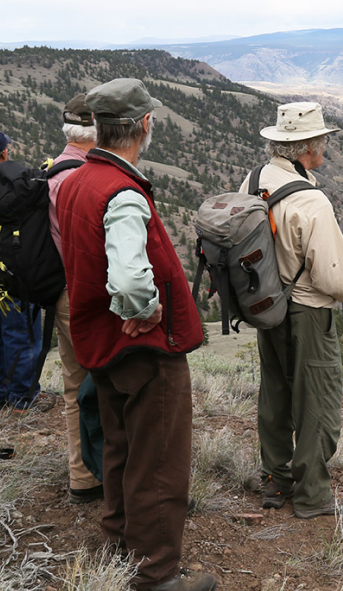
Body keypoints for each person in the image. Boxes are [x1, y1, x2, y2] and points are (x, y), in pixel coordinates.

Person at [56, 79, 215, 591]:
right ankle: (157, 573)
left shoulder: (79, 178)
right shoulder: (123, 193)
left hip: (99, 341)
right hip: (144, 348)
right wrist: (144, 310)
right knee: (161, 460)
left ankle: (118, 543)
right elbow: (127, 277)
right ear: (145, 125)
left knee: (122, 447)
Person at [239, 102, 343, 519]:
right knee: (318, 403)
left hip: (266, 304)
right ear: (308, 147)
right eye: (321, 140)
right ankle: (313, 495)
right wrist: (342, 263)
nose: (324, 146)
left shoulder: (255, 180)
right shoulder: (312, 201)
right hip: (308, 313)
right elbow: (338, 284)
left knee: (275, 392)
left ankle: (275, 480)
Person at [46, 94, 104, 504]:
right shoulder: (82, 178)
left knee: (74, 386)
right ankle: (112, 477)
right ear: (97, 129)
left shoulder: (54, 170)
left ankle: (83, 476)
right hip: (84, 295)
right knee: (108, 385)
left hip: (60, 292)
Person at [0, 131, 43, 413]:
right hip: (16, 275)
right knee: (22, 334)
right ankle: (21, 400)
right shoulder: (18, 185)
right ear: (4, 154)